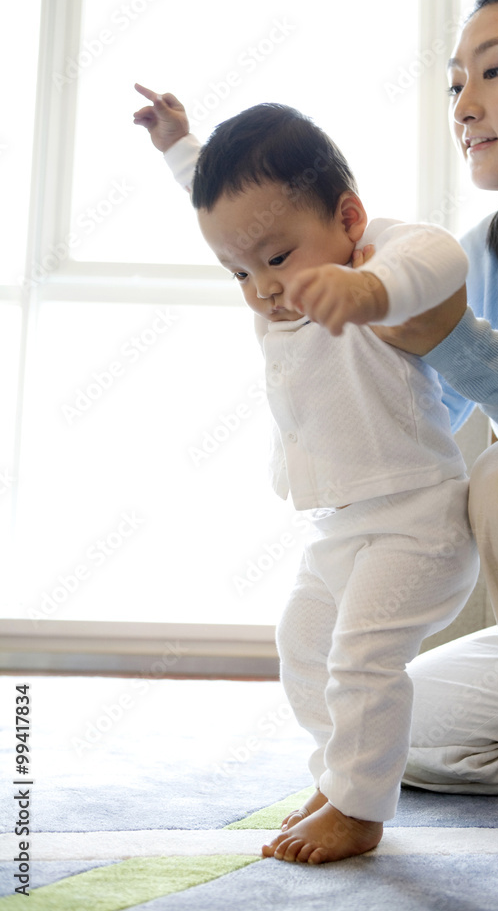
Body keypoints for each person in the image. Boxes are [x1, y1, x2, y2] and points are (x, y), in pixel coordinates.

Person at [133, 0, 498, 866]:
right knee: (393, 720)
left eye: (494, 71)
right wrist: (188, 153)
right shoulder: (489, 254)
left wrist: (436, 327)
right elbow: (404, 394)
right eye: (455, 80)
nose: (462, 104)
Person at [134, 97, 478, 864]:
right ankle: (342, 773)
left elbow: (443, 258)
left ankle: (359, 809)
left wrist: (368, 291)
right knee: (304, 646)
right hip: (339, 526)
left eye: (278, 260)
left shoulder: (380, 261)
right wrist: (178, 146)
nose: (261, 286)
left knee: (360, 657)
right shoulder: (270, 264)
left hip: (417, 520)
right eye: (240, 272)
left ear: (349, 219)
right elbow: (232, 209)